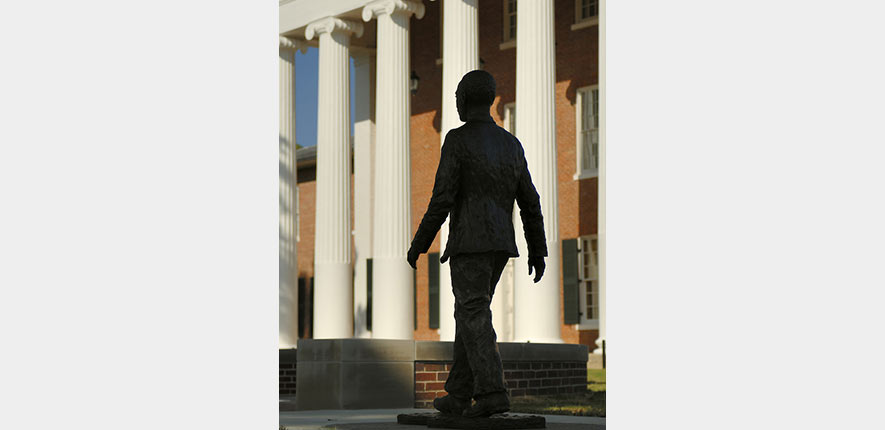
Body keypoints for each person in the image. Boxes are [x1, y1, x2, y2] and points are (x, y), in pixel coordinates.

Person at [407, 70, 548, 418]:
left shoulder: (457, 140)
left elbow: (442, 198)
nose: (455, 101)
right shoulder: (511, 144)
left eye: (457, 95)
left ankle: (492, 392)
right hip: (500, 244)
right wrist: (537, 249)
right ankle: (458, 394)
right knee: (469, 314)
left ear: (465, 99)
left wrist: (419, 243)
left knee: (473, 314)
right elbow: (531, 202)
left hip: (470, 243)